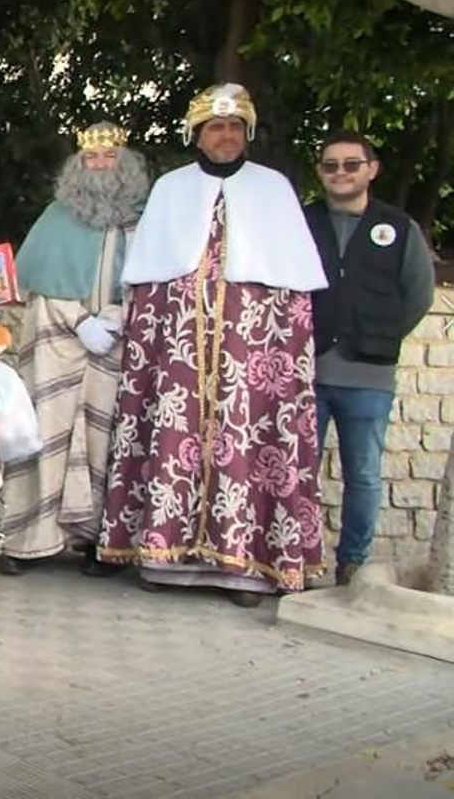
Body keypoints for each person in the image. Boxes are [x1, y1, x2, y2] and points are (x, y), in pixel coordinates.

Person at [96, 83, 329, 606]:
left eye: (234, 127)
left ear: (247, 133)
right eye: (215, 127)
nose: (225, 135)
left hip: (251, 356)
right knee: (169, 436)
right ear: (197, 135)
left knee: (246, 447)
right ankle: (162, 558)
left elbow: (294, 296)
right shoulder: (171, 189)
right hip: (178, 352)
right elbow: (147, 283)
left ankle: (244, 566)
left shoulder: (273, 189)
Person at [0, 121, 149, 576]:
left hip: (118, 343)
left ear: (125, 163)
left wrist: (115, 320)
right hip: (58, 340)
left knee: (108, 441)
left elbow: (153, 285)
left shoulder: (144, 220)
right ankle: (27, 541)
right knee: (45, 434)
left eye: (109, 157)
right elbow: (38, 285)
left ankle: (100, 543)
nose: (99, 164)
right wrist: (80, 321)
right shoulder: (56, 216)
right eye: (91, 157)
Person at [303, 130, 436, 585]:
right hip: (306, 372)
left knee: (363, 474)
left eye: (351, 164)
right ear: (320, 172)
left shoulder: (398, 227)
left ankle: (352, 562)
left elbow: (418, 295)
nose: (340, 173)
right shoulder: (302, 221)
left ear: (372, 169)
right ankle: (296, 558)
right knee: (297, 473)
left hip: (369, 377)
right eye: (331, 165)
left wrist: (378, 337)